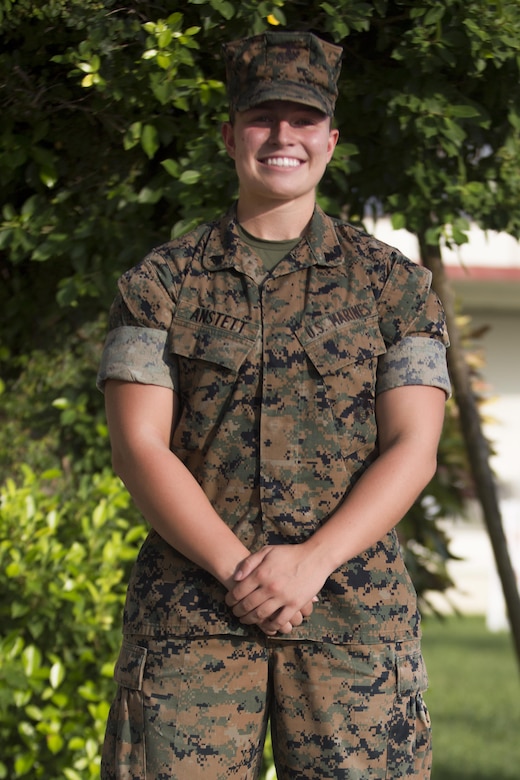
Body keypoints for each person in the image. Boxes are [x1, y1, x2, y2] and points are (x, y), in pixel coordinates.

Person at [97, 30, 450, 780]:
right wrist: (243, 573)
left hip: (353, 620)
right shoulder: (159, 284)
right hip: (192, 617)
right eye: (262, 117)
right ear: (230, 136)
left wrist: (310, 565)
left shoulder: (396, 287)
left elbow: (415, 446)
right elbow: (139, 447)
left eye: (303, 118)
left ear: (331, 139)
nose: (283, 136)